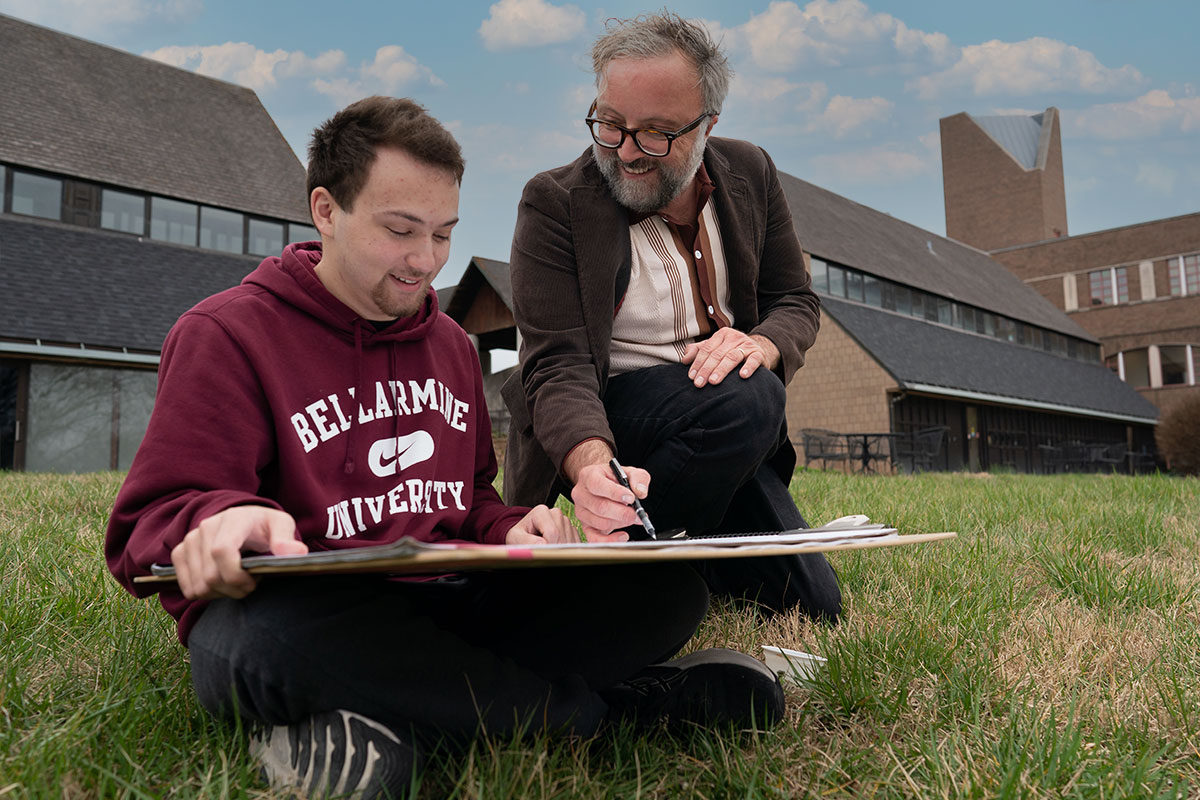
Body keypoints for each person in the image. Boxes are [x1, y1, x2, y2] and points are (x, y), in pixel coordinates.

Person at [105, 96, 785, 800]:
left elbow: (467, 507)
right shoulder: (226, 334)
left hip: (452, 606)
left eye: (443, 234)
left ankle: (371, 735)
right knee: (247, 642)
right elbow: (145, 526)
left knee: (665, 590)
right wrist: (217, 519)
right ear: (326, 210)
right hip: (316, 617)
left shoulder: (453, 349)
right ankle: (602, 716)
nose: (423, 261)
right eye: (400, 230)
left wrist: (514, 528)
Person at [503, 12, 841, 620]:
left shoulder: (753, 173)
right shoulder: (554, 202)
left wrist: (759, 346)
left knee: (813, 603)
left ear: (709, 125)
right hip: (612, 418)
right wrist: (592, 469)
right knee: (753, 400)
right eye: (610, 124)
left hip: (726, 429)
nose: (627, 152)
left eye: (656, 133)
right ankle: (628, 568)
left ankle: (674, 555)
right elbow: (556, 367)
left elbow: (795, 300)